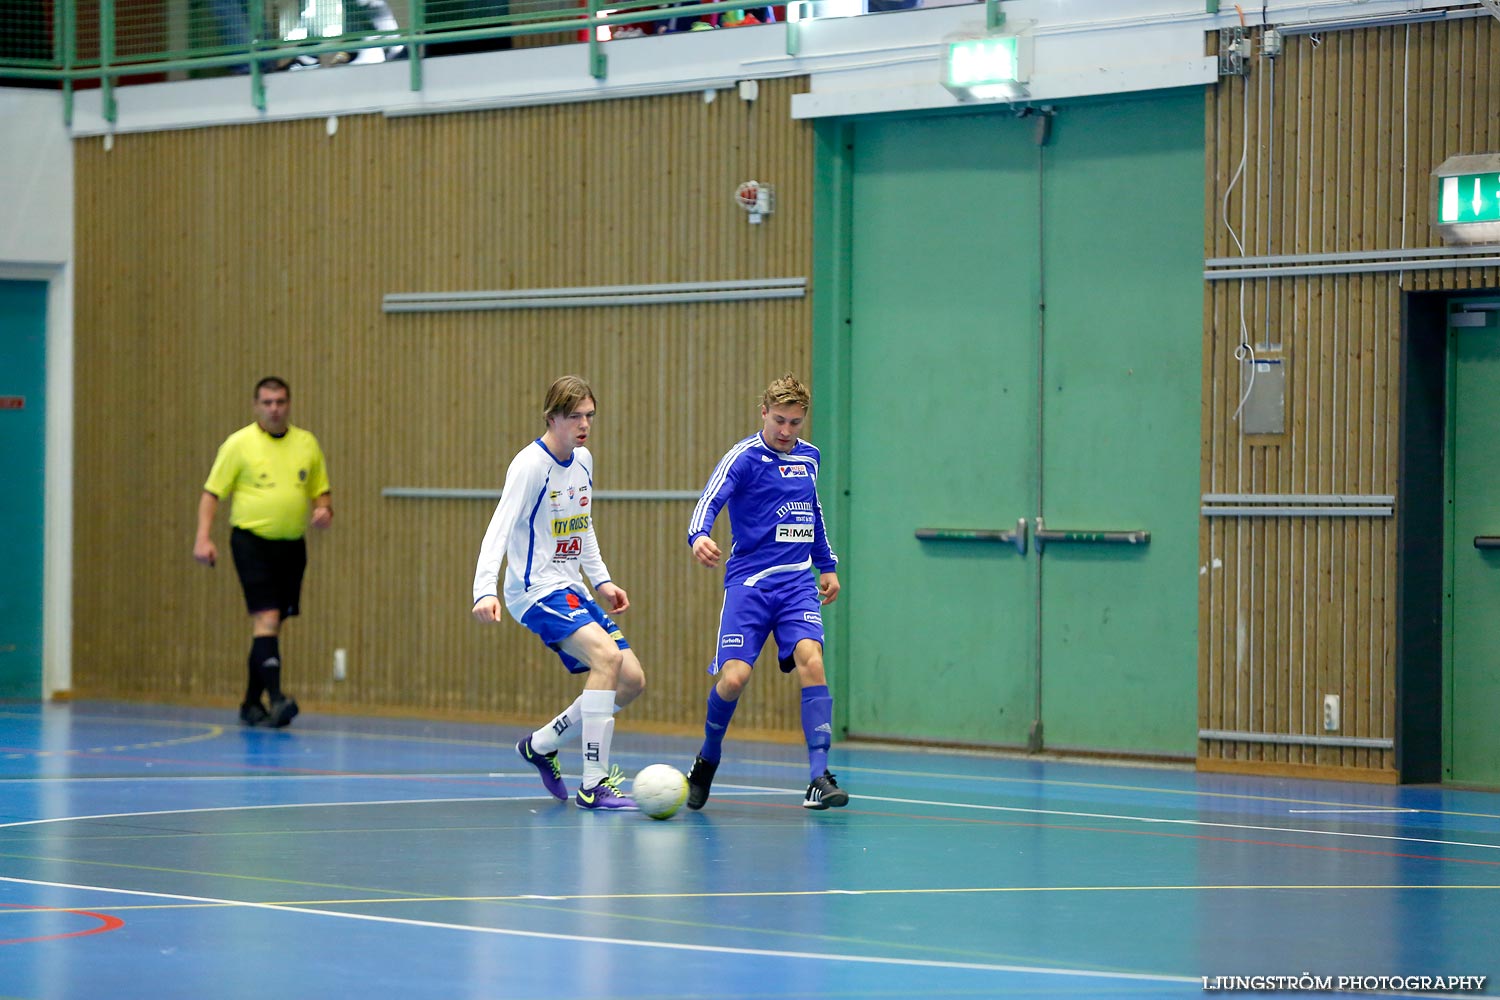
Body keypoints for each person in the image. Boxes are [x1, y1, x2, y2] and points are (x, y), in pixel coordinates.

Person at [472, 375, 645, 811]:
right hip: (534, 589)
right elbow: (499, 528)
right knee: (606, 659)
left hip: (571, 587)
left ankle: (543, 743)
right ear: (552, 417)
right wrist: (483, 590)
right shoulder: (530, 465)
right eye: (574, 416)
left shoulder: (583, 460)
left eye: (589, 415)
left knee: (630, 680)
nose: (584, 424)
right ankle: (594, 783)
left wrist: (602, 580)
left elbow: (582, 526)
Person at [684, 373, 848, 811]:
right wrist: (698, 535)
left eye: (795, 423)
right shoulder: (743, 457)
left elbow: (812, 512)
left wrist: (826, 565)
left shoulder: (809, 458)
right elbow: (709, 500)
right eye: (779, 420)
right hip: (751, 585)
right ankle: (708, 759)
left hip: (796, 583)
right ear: (763, 412)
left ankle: (818, 776)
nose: (786, 431)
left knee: (812, 659)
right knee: (734, 678)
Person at [194, 376, 332, 728]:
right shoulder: (238, 445)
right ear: (256, 405)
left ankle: (250, 702)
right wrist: (203, 538)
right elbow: (212, 493)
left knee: (269, 627)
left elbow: (321, 491)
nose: (274, 409)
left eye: (280, 402)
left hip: (291, 546)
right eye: (267, 402)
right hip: (251, 542)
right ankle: (278, 699)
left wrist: (323, 511)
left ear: (289, 404)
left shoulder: (306, 444)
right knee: (267, 618)